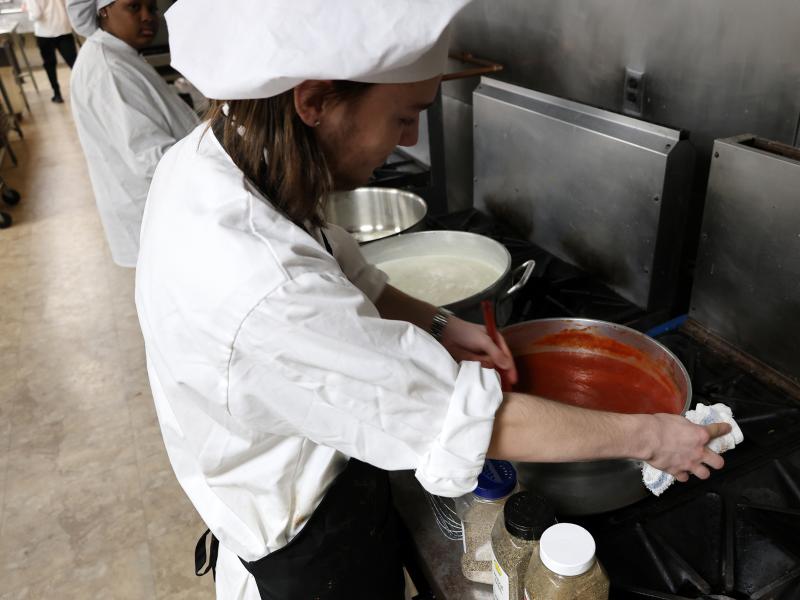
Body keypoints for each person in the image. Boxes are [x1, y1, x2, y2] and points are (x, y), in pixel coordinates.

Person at [134, 2, 732, 599]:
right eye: (403, 117)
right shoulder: (262, 286)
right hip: (306, 550)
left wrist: (443, 324)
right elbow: (465, 420)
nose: (411, 139)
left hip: (306, 486)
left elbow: (334, 264)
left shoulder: (215, 155)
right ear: (312, 101)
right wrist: (653, 438)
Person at [66, 0, 199, 267]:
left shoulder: (120, 54)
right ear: (104, 11)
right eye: (134, 7)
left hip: (166, 204)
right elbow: (150, 157)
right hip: (155, 209)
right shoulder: (108, 69)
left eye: (152, 8)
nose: (148, 16)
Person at [24, 0, 77, 103]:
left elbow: (36, 15)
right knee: (74, 63)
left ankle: (57, 94)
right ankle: (84, 89)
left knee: (50, 65)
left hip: (45, 33)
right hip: (64, 29)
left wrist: (28, 11)